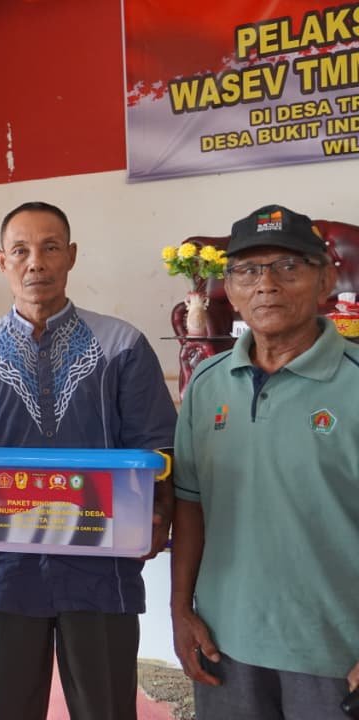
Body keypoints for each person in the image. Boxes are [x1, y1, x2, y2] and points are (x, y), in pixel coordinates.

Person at [0, 201, 177, 720]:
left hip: (103, 567)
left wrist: (160, 512)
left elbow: (158, 445)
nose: (35, 262)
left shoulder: (122, 346)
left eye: (50, 247)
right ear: (2, 261)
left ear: (71, 256)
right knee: (8, 709)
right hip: (4, 569)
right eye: (20, 250)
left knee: (107, 709)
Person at [171, 204, 359, 719]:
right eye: (248, 270)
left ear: (325, 281)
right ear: (229, 290)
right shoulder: (207, 385)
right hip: (224, 647)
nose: (267, 285)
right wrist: (180, 608)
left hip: (335, 653)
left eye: (288, 267)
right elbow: (190, 506)